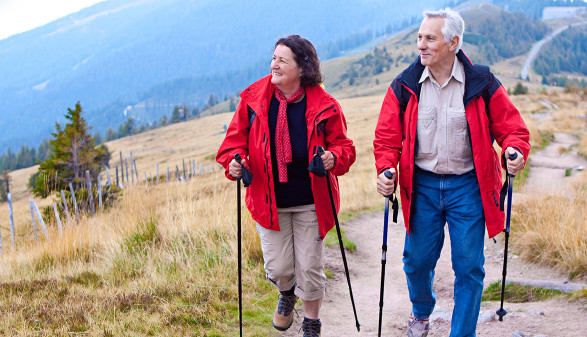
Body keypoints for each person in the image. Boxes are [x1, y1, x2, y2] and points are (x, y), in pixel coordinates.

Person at [373, 8, 530, 337]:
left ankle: (462, 334)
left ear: (453, 42)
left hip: (468, 188)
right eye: (419, 37)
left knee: (469, 268)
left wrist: (514, 152)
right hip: (423, 187)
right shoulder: (404, 85)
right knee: (416, 262)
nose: (421, 45)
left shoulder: (482, 82)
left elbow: (513, 130)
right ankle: (421, 310)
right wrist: (386, 169)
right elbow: (386, 139)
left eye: (430, 38)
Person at [216, 34, 355, 336]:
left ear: (302, 68)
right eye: (274, 57)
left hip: (311, 201)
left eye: (282, 60)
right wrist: (236, 161)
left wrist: (332, 158)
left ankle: (311, 323)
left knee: (310, 267)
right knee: (279, 269)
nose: (274, 65)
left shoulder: (325, 105)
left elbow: (345, 148)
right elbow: (231, 146)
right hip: (269, 202)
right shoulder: (254, 101)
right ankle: (287, 293)